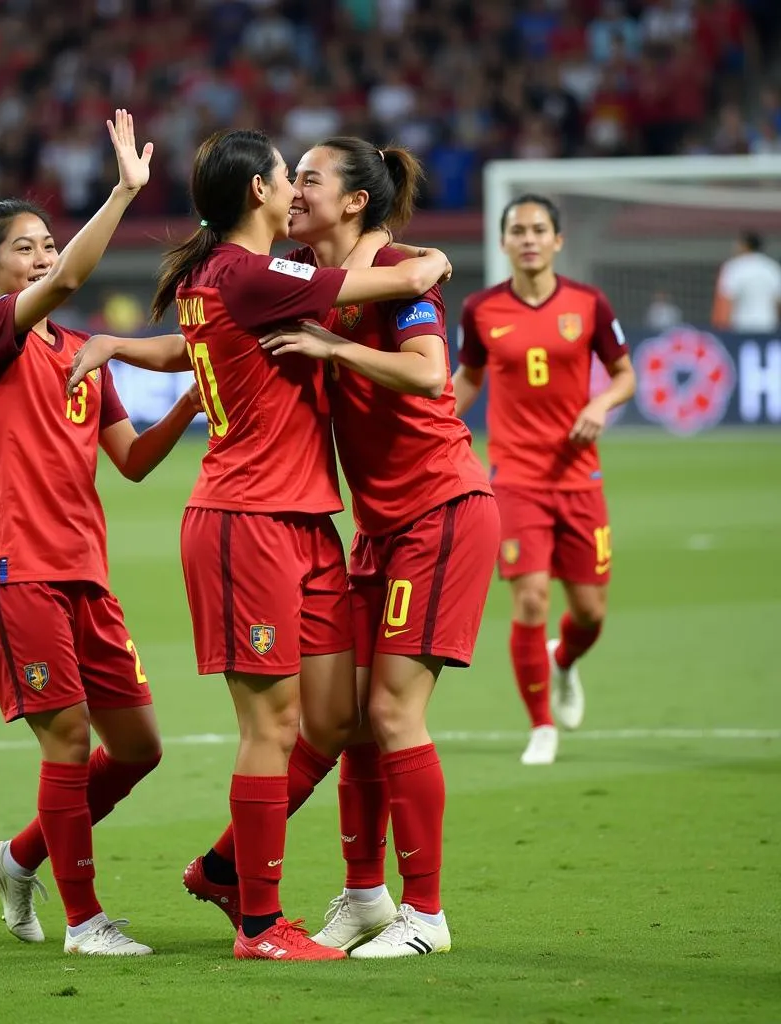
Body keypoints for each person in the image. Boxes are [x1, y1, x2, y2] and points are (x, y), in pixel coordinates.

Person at [68, 127, 451, 961]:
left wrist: (111, 343)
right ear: (258, 194)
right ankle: (259, 925)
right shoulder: (254, 271)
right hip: (248, 523)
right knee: (272, 728)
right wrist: (423, 268)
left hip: (307, 524)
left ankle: (237, 873)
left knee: (338, 719)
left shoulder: (230, 276)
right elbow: (377, 279)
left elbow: (193, 344)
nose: (295, 188)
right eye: (288, 176)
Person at [0, 111, 202, 957]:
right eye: (27, 246)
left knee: (138, 748)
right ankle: (86, 922)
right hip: (16, 573)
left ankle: (17, 857)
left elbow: (129, 462)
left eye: (50, 240)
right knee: (68, 738)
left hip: (85, 574)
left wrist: (193, 407)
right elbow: (56, 289)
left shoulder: (84, 352)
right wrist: (126, 191)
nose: (46, 254)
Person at [247, 137, 498, 958]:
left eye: (309, 179)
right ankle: (364, 896)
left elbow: (430, 373)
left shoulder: (396, 269)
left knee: (394, 713)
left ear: (355, 201)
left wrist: (334, 348)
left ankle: (427, 917)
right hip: (379, 528)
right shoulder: (316, 277)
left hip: (441, 507)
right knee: (354, 719)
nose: (294, 192)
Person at [453, 193, 636, 766]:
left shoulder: (589, 304)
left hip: (580, 478)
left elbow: (625, 375)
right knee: (529, 600)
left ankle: (563, 661)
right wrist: (432, 421)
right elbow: (469, 379)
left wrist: (602, 404)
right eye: (517, 230)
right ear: (503, 241)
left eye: (538, 230)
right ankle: (541, 726)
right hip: (515, 478)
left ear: (557, 241)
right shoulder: (480, 310)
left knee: (591, 613)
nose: (528, 239)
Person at [711, 230, 781, 333]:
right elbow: (778, 302)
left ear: (745, 245)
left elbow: (725, 302)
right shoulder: (772, 268)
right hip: (768, 327)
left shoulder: (733, 267)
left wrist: (719, 330)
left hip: (741, 328)